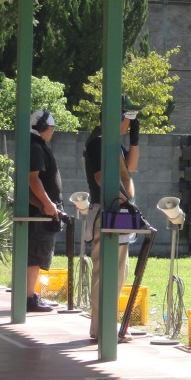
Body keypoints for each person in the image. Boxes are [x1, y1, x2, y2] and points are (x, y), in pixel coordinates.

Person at [83, 95, 142, 342]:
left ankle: (107, 325)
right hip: (109, 214)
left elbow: (131, 167)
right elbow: (100, 177)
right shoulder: (100, 142)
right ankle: (102, 328)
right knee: (106, 273)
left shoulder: (111, 142)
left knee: (118, 273)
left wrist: (135, 138)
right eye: (128, 118)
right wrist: (123, 202)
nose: (129, 123)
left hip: (118, 215)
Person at [28, 109, 64, 313]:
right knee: (36, 253)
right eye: (51, 128)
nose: (52, 132)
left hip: (43, 211)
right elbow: (33, 179)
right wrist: (48, 204)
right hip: (41, 213)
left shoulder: (36, 146)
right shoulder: (36, 147)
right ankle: (29, 297)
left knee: (37, 253)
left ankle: (30, 295)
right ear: (42, 128)